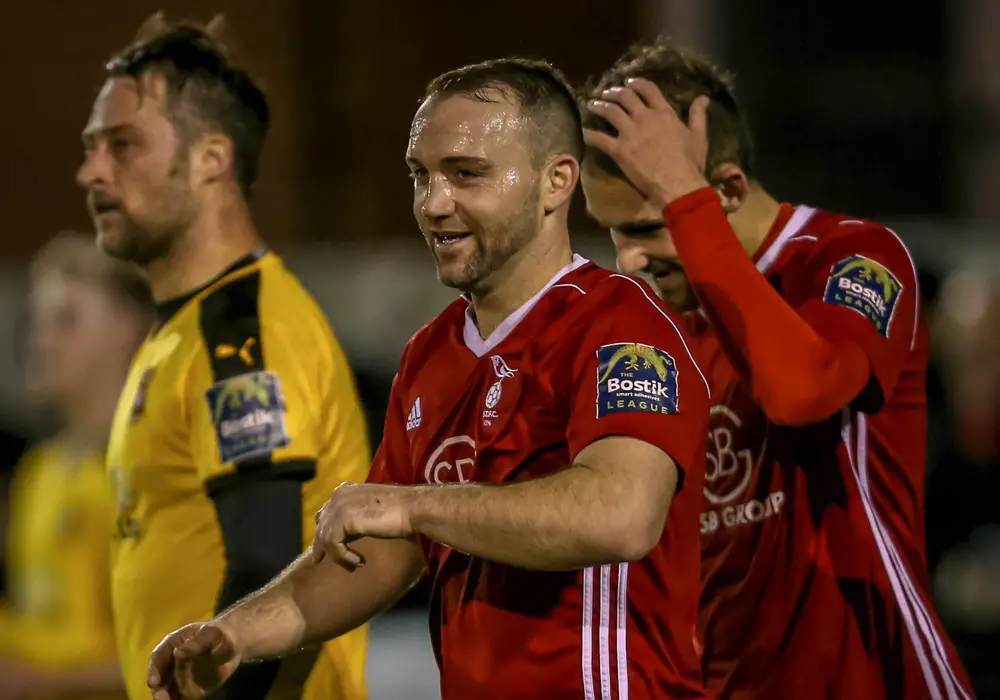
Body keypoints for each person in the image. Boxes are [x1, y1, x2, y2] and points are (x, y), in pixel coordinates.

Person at [147, 57, 712, 700]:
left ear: (556, 183)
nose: (434, 204)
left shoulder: (620, 324)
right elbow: (382, 555)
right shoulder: (430, 353)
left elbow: (621, 516)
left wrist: (411, 503)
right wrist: (235, 635)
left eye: (467, 175)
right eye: (423, 176)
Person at [580, 38, 977, 699]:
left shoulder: (852, 257)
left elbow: (801, 391)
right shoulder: (661, 331)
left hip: (881, 682)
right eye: (613, 232)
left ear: (725, 190)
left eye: (649, 228)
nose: (628, 261)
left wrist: (684, 197)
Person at [74, 14, 371, 700]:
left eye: (123, 145)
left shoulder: (245, 330)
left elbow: (264, 563)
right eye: (92, 147)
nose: (91, 170)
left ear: (212, 159)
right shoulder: (178, 333)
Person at [0, 232, 152, 699]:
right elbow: (44, 622)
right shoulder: (39, 471)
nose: (42, 341)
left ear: (127, 328)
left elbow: (174, 648)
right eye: (38, 322)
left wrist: (40, 684)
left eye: (65, 320)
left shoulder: (152, 471)